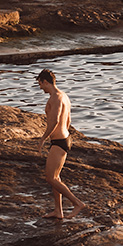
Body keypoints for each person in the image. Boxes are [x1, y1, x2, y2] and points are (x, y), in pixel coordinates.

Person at [37, 69, 85, 220]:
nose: (40, 88)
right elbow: (68, 120)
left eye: (40, 84)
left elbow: (55, 120)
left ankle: (77, 203)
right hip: (64, 138)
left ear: (45, 82)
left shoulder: (55, 98)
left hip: (59, 141)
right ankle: (58, 211)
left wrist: (43, 138)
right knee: (56, 178)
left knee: (50, 178)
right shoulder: (64, 96)